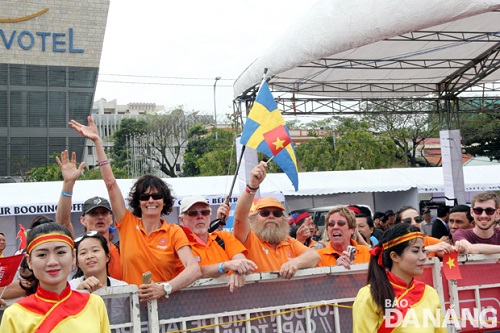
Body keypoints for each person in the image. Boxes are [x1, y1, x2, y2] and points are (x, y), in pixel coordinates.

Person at [69, 117, 201, 301]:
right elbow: (110, 184)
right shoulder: (128, 223)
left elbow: (194, 269)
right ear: (138, 202)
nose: (151, 200)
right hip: (131, 311)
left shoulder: (174, 232)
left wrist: (165, 288)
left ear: (165, 201)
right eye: (145, 197)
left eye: (156, 196)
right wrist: (98, 142)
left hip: (165, 309)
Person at [0, 222, 110, 332]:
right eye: (42, 255)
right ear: (29, 261)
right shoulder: (14, 315)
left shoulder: (94, 304)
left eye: (61, 252)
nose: (52, 262)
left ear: (73, 256)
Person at [352, 223, 446, 333]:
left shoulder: (430, 293)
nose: (423, 257)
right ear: (394, 256)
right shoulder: (370, 295)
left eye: (423, 250)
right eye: (415, 251)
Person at [233, 161, 321, 278]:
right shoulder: (249, 240)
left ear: (284, 220)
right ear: (253, 219)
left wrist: (295, 263)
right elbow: (240, 216)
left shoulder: (289, 242)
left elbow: (314, 256)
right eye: (264, 213)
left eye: (277, 213)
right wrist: (252, 186)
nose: (271, 216)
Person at [55, 150, 123, 280]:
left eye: (104, 213)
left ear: (111, 219)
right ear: (83, 220)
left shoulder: (123, 249)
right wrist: (68, 184)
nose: (100, 217)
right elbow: (63, 223)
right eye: (94, 213)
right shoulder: (77, 249)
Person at [177, 195, 257, 292]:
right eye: (193, 213)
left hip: (232, 303)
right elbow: (193, 272)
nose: (200, 216)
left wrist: (239, 270)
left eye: (204, 212)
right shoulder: (179, 245)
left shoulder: (223, 237)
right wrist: (224, 266)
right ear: (182, 220)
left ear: (209, 215)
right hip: (195, 303)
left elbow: (241, 260)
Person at [69, 231, 128, 325]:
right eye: (83, 253)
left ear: (107, 257)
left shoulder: (123, 288)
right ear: (78, 263)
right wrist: (78, 294)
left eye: (95, 250)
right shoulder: (70, 288)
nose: (90, 256)